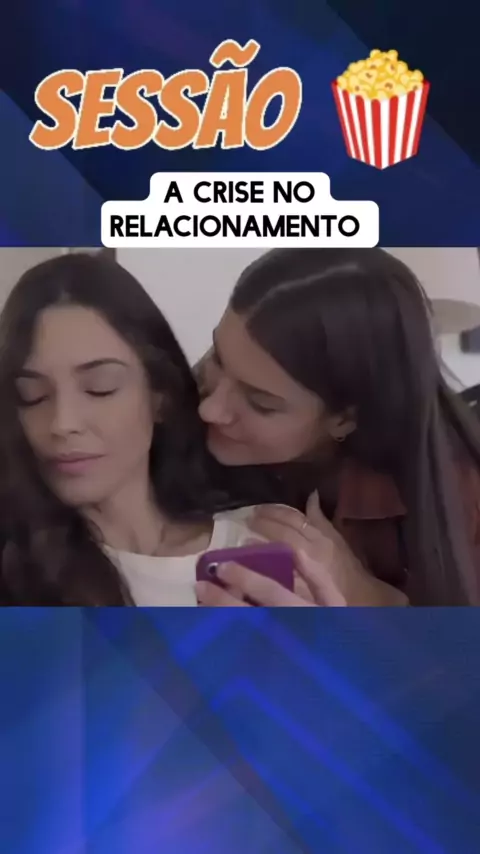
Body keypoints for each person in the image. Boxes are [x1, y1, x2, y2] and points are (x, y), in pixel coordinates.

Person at [196, 248, 480, 607]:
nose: (209, 408)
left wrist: (362, 592)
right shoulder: (175, 404)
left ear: (344, 419)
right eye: (218, 359)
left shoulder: (458, 497)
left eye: (260, 404)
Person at [0, 252, 265, 606]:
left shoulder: (260, 540)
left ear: (160, 397)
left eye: (100, 387)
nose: (62, 423)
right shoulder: (17, 569)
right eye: (32, 395)